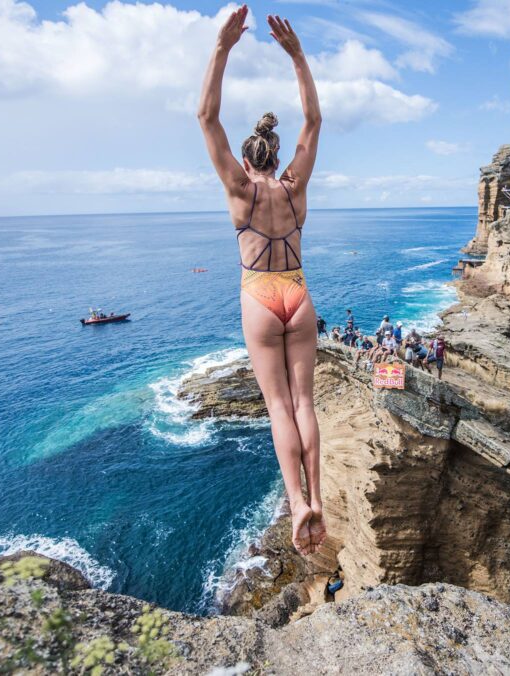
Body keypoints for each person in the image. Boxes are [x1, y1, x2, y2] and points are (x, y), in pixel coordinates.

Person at [198, 7, 324, 555]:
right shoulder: (293, 188)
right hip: (297, 292)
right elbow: (314, 122)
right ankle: (317, 497)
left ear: (247, 160)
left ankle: (296, 505)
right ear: (274, 157)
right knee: (304, 404)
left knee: (277, 408)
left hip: (259, 295)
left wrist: (222, 49)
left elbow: (207, 118)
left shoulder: (239, 191)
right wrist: (297, 56)